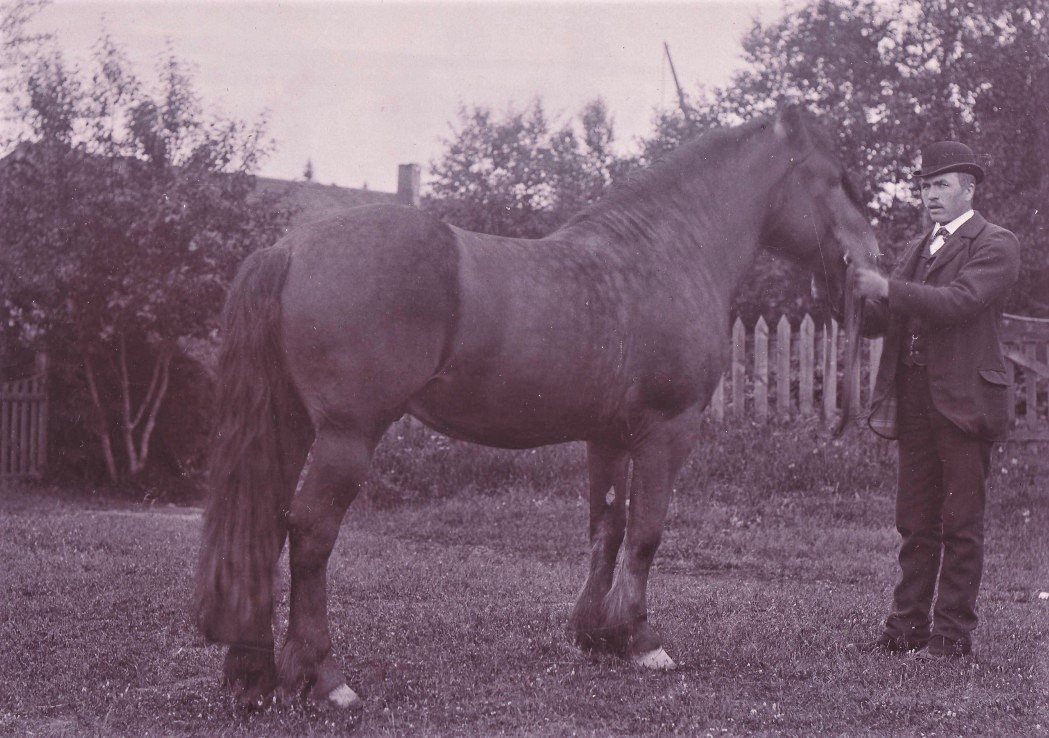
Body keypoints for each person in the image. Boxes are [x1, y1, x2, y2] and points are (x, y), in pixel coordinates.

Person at [850, 140, 1020, 659]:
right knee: (916, 520)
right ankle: (905, 629)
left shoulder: (996, 243)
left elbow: (960, 302)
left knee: (961, 526)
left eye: (941, 185)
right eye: (924, 186)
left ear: (969, 189)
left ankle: (950, 636)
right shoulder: (918, 248)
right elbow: (887, 317)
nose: (930, 195)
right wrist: (845, 289)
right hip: (917, 400)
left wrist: (886, 288)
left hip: (967, 401)